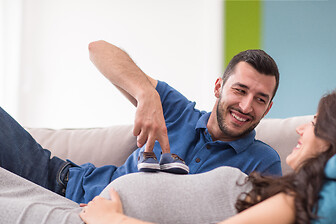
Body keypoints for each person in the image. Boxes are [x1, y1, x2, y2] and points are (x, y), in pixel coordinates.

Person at [0, 40, 281, 204]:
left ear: (267, 108)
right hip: (61, 181)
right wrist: (146, 93)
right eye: (240, 90)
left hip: (91, 219)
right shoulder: (178, 111)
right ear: (219, 87)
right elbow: (98, 49)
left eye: (259, 99)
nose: (246, 106)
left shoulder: (263, 162)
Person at [78, 90, 336, 224]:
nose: (300, 130)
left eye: (313, 123)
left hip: (105, 221)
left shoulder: (299, 200)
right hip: (98, 200)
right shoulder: (312, 196)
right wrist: (147, 94)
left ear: (332, 138)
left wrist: (112, 220)